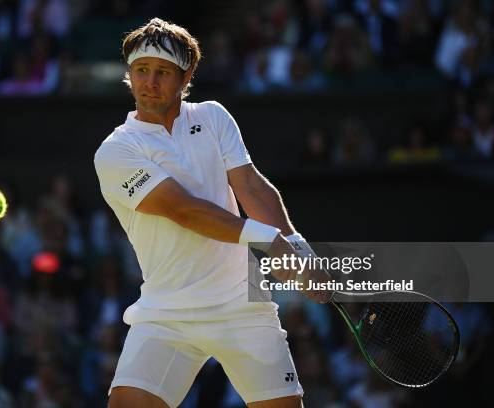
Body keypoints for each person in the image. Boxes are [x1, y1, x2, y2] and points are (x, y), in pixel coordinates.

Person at [94, 18, 331, 408]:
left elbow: (251, 187)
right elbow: (183, 210)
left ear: (186, 76)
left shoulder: (214, 117)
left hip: (243, 306)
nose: (150, 83)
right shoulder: (116, 152)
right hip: (166, 312)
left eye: (163, 72)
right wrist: (267, 240)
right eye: (141, 71)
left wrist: (297, 247)